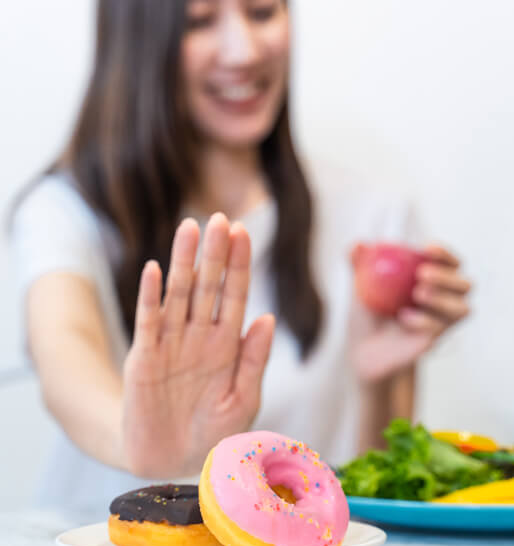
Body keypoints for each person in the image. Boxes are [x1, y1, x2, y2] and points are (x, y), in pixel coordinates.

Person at [9, 0, 471, 517]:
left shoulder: (373, 217)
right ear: (137, 42)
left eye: (262, 12)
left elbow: (375, 508)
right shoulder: (66, 210)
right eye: (199, 22)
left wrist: (376, 381)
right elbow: (64, 351)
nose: (245, 51)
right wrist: (137, 439)